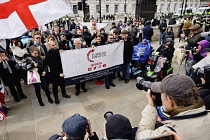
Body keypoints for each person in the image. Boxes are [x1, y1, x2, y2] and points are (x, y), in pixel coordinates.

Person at [135, 74, 210, 140]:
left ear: (170, 101)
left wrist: (151, 106)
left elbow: (140, 136)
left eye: (161, 94)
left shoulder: (169, 133)